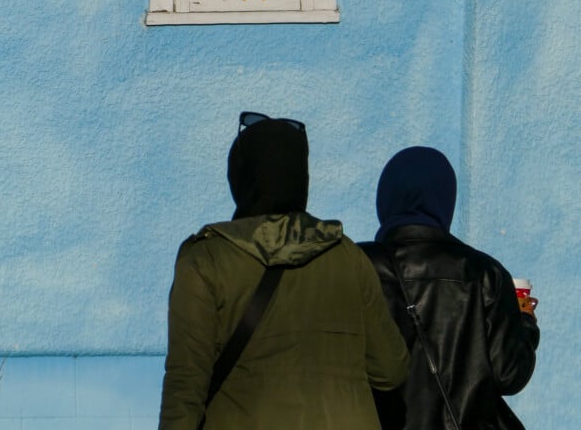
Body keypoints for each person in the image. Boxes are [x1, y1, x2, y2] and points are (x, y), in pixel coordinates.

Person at [158, 112, 410, 430]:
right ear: (299, 178)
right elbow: (391, 369)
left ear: (240, 176)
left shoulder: (205, 260)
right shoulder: (347, 255)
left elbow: (184, 393)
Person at [359, 146, 540, 430]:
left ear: (386, 198)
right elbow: (510, 374)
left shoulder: (356, 265)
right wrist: (525, 321)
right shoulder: (485, 273)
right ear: (446, 200)